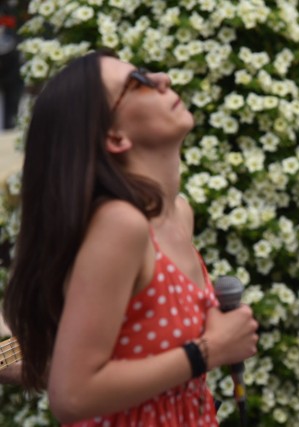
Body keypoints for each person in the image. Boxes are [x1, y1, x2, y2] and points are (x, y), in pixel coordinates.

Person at [2, 50, 259, 426]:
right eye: (138, 82)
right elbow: (72, 394)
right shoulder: (120, 223)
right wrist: (208, 350)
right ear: (115, 136)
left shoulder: (177, 215)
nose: (163, 79)